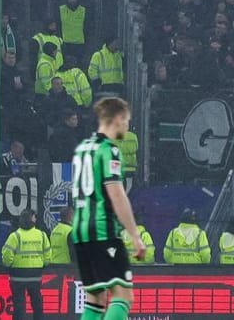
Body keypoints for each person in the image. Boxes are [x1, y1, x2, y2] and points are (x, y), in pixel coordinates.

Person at [68, 97, 147, 320]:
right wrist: (135, 235)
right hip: (103, 230)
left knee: (96, 299)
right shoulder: (109, 150)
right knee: (123, 296)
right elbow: (116, 194)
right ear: (118, 119)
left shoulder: (82, 149)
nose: (127, 126)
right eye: (127, 120)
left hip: (81, 231)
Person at [2, 209, 51, 320]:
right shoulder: (42, 235)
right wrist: (43, 264)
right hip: (36, 276)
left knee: (19, 307)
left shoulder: (14, 236)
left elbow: (6, 256)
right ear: (33, 219)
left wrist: (9, 265)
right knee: (37, 306)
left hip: (17, 276)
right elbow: (48, 256)